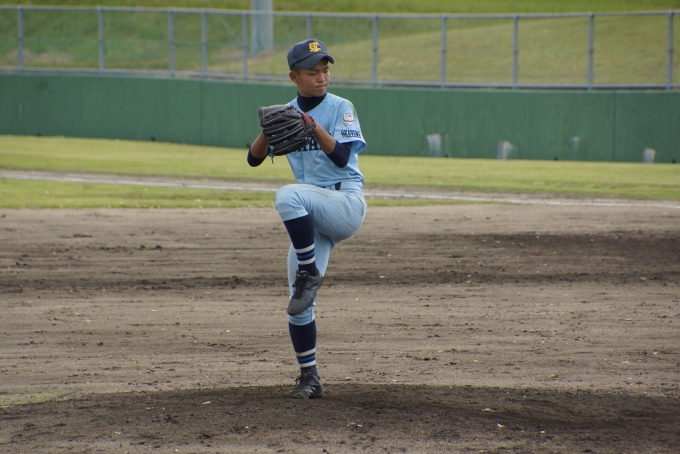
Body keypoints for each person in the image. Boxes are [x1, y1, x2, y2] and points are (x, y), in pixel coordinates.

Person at [247, 39, 367, 399]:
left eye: (325, 70)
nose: (322, 77)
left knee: (287, 195)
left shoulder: (340, 107)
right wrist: (269, 128)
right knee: (299, 303)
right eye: (313, 72)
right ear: (294, 77)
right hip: (312, 214)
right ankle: (309, 377)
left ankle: (308, 270)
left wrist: (313, 126)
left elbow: (343, 158)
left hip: (344, 202)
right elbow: (253, 160)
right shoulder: (287, 112)